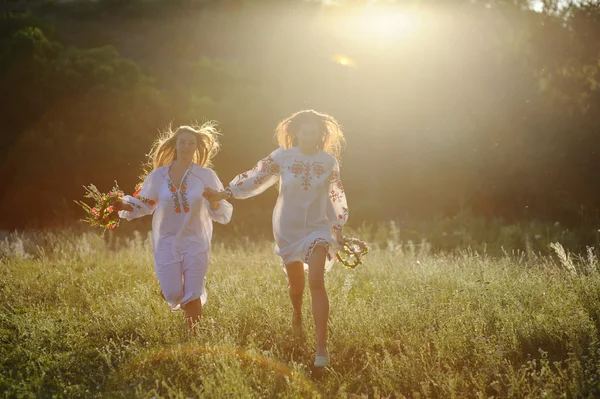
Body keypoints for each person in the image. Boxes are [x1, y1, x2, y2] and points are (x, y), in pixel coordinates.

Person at [204, 110, 348, 367]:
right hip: (287, 228)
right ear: (296, 133)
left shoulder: (328, 162)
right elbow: (256, 177)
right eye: (304, 131)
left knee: (316, 280)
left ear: (320, 135)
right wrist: (224, 193)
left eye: (313, 132)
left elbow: (334, 195)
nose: (308, 136)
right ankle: (297, 315)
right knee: (296, 286)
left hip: (317, 227)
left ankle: (321, 350)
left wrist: (337, 228)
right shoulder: (283, 156)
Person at [116, 123, 232, 331]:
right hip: (167, 241)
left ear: (196, 147)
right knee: (173, 293)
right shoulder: (158, 176)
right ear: (175, 145)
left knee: (193, 291)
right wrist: (120, 205)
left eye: (191, 143)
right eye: (182, 142)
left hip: (196, 241)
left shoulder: (205, 175)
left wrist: (213, 200)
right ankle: (168, 288)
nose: (187, 147)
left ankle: (193, 341)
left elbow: (220, 210)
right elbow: (143, 203)